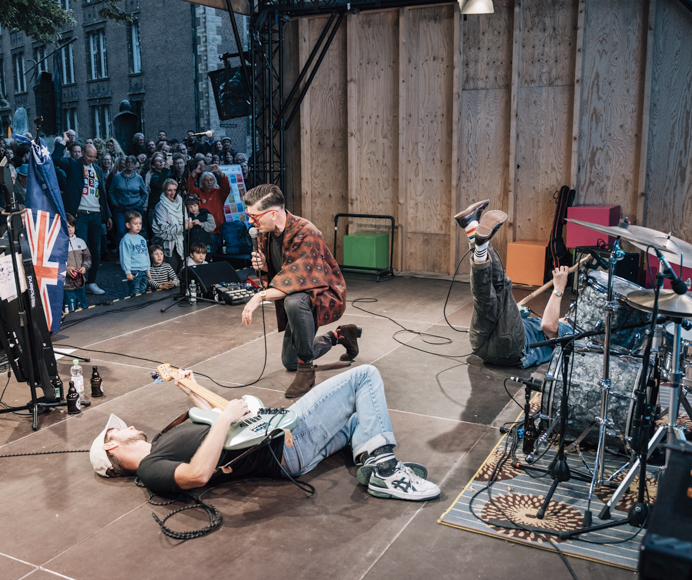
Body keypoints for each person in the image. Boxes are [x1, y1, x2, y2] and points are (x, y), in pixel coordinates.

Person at [89, 364, 439, 501]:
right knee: (364, 376)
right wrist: (226, 417)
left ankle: (371, 459)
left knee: (358, 419)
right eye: (119, 431)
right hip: (284, 444)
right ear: (111, 448)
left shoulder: (163, 441)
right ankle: (385, 471)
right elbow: (197, 474)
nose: (129, 426)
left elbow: (211, 423)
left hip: (287, 446)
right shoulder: (151, 469)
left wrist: (190, 388)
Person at [240, 184, 360, 398]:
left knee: (293, 301)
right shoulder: (266, 233)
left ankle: (306, 371)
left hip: (320, 294)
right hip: (297, 293)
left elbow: (295, 281)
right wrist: (265, 265)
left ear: (273, 214)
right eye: (248, 215)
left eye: (254, 216)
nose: (250, 221)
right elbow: (284, 271)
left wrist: (259, 297)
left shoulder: (306, 232)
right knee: (289, 361)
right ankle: (340, 335)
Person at [454, 200, 572, 368]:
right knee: (486, 300)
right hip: (483, 343)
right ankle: (473, 231)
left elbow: (549, 326)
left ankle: (473, 233)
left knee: (501, 288)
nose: (567, 316)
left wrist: (558, 289)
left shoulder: (574, 333)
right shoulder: (564, 322)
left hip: (510, 347)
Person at [54, 142, 112, 296]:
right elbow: (55, 159)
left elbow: (102, 193)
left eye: (94, 157)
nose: (91, 159)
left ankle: (91, 282)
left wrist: (107, 215)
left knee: (96, 250)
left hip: (96, 214)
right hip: (80, 214)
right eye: (89, 156)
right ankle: (79, 283)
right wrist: (62, 142)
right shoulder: (74, 165)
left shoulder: (98, 170)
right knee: (79, 250)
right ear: (82, 153)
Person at [187, 163, 230, 255]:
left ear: (215, 181)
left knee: (217, 256)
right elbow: (188, 187)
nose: (209, 182)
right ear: (202, 182)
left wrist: (219, 172)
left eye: (211, 180)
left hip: (217, 231)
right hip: (201, 231)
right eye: (206, 180)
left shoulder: (219, 193)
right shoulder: (197, 192)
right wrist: (195, 173)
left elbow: (226, 186)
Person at [110, 156, 149, 243]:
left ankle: (135, 249)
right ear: (125, 163)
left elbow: (144, 193)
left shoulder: (138, 178)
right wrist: (114, 202)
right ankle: (121, 250)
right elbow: (111, 191)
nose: (130, 164)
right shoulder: (117, 177)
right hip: (121, 208)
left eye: (132, 162)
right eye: (128, 162)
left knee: (136, 231)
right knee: (121, 231)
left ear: (135, 165)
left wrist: (140, 203)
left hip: (135, 207)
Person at [152, 179, 186, 273]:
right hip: (166, 244)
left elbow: (186, 220)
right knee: (171, 271)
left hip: (180, 242)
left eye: (175, 190)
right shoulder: (160, 207)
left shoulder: (180, 203)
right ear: (164, 191)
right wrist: (183, 227)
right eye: (169, 190)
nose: (173, 193)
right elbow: (164, 229)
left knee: (181, 271)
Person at [120, 210, 150, 296]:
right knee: (135, 291)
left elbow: (146, 254)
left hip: (144, 270)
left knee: (143, 290)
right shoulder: (126, 239)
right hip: (134, 271)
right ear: (128, 225)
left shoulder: (142, 239)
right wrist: (127, 271)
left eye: (140, 223)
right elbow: (125, 256)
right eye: (135, 224)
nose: (138, 226)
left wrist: (148, 269)